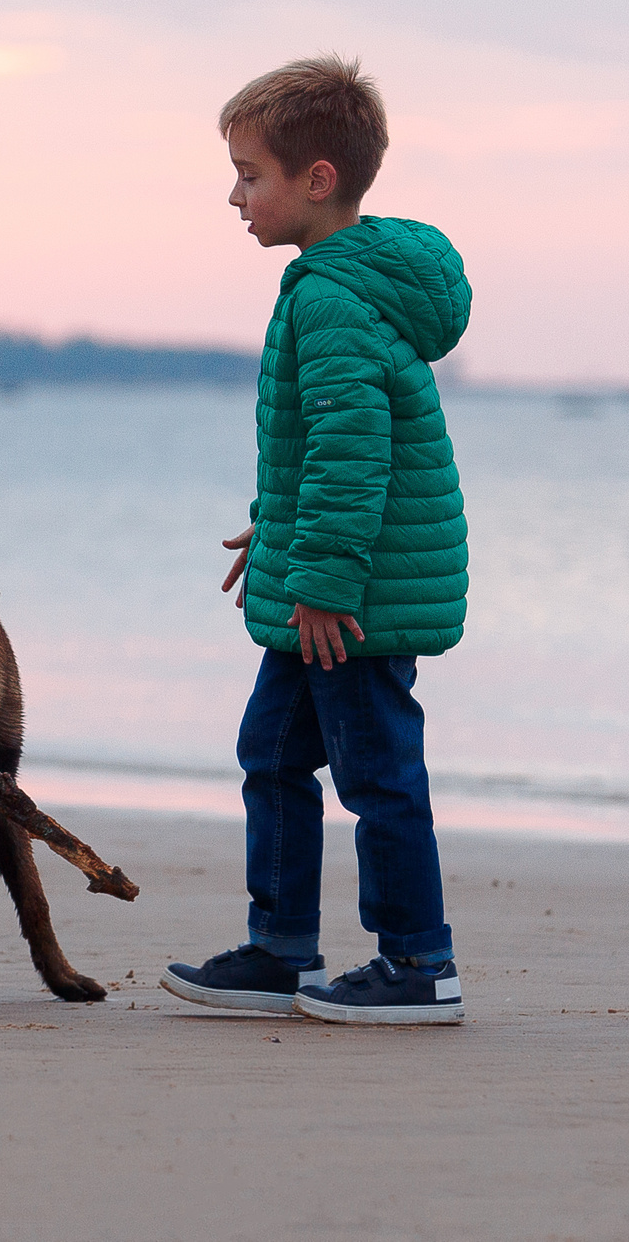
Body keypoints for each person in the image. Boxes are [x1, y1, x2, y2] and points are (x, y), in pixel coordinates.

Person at [161, 55, 471, 1026]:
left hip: (351, 601)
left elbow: (351, 448)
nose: (235, 195)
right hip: (323, 577)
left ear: (317, 179)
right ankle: (280, 947)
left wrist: (327, 574)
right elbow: (329, 452)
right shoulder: (328, 286)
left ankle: (418, 963)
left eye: (250, 174)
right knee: (272, 753)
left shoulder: (333, 298)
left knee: (376, 772)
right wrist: (280, 530)